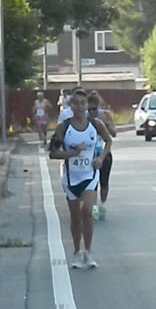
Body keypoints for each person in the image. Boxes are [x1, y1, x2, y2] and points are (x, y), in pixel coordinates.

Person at [48, 88, 112, 269]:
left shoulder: (96, 124)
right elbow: (52, 153)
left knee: (87, 211)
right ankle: (77, 252)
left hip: (89, 175)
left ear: (86, 105)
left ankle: (88, 252)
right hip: (70, 178)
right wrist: (72, 153)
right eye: (76, 103)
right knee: (75, 217)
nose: (80, 106)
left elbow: (109, 141)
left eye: (83, 103)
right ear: (71, 105)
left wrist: (100, 158)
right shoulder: (64, 127)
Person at [87, 91, 116, 221]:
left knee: (104, 183)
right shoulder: (83, 119)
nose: (92, 112)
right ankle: (93, 209)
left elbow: (113, 135)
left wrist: (107, 125)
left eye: (95, 109)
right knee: (92, 184)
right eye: (89, 109)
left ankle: (103, 205)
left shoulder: (105, 116)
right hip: (89, 156)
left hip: (104, 153)